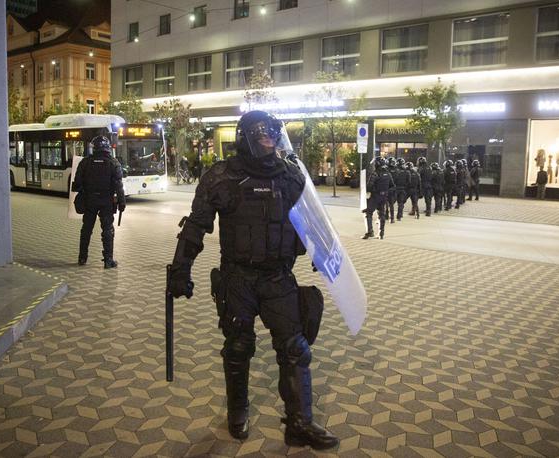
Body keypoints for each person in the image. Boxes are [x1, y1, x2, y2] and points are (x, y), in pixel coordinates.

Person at [168, 110, 339, 450]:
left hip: (278, 277)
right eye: (262, 132)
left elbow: (312, 221)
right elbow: (196, 225)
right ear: (245, 135)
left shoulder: (291, 175)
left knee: (295, 350)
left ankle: (300, 424)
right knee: (238, 347)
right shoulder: (220, 177)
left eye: (274, 131)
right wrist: (181, 269)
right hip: (238, 278)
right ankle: (237, 412)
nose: (270, 137)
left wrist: (325, 253)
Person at [72, 136, 125, 268]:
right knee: (108, 230)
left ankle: (82, 258)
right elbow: (119, 185)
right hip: (106, 201)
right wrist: (122, 202)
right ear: (107, 147)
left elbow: (77, 183)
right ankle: (108, 260)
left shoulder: (85, 162)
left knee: (86, 229)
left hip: (89, 200)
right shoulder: (114, 163)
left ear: (93, 147)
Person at [363, 157, 394, 239]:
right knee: (381, 214)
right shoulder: (388, 174)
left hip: (375, 196)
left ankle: (369, 232)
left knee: (368, 213)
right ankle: (381, 233)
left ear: (377, 164)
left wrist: (370, 190)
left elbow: (369, 186)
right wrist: (386, 192)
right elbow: (392, 186)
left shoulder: (375, 174)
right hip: (384, 197)